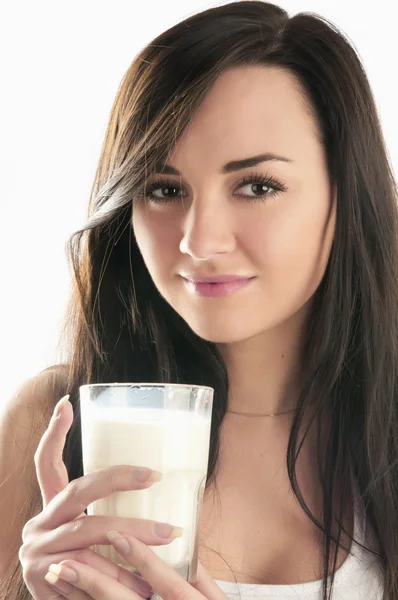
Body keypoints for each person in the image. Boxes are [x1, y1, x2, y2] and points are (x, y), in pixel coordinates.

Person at [0, 1, 396, 598]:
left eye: (256, 186)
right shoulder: (55, 424)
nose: (198, 240)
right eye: (163, 189)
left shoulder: (385, 435)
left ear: (346, 194)